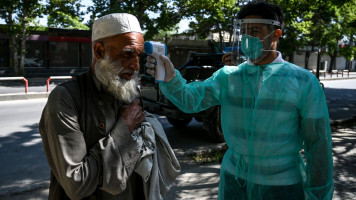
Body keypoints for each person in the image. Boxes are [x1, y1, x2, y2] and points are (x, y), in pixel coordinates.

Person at [146, 2, 334, 200]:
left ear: (276, 34)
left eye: (254, 31)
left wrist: (318, 194)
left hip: (283, 185)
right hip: (234, 180)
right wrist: (169, 77)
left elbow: (318, 145)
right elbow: (191, 100)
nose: (247, 38)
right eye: (243, 32)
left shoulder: (303, 81)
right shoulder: (229, 76)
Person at [39, 13, 180, 200]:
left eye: (138, 56)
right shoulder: (66, 98)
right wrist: (124, 128)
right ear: (99, 51)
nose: (135, 65)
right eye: (127, 54)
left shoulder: (130, 91)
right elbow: (76, 184)